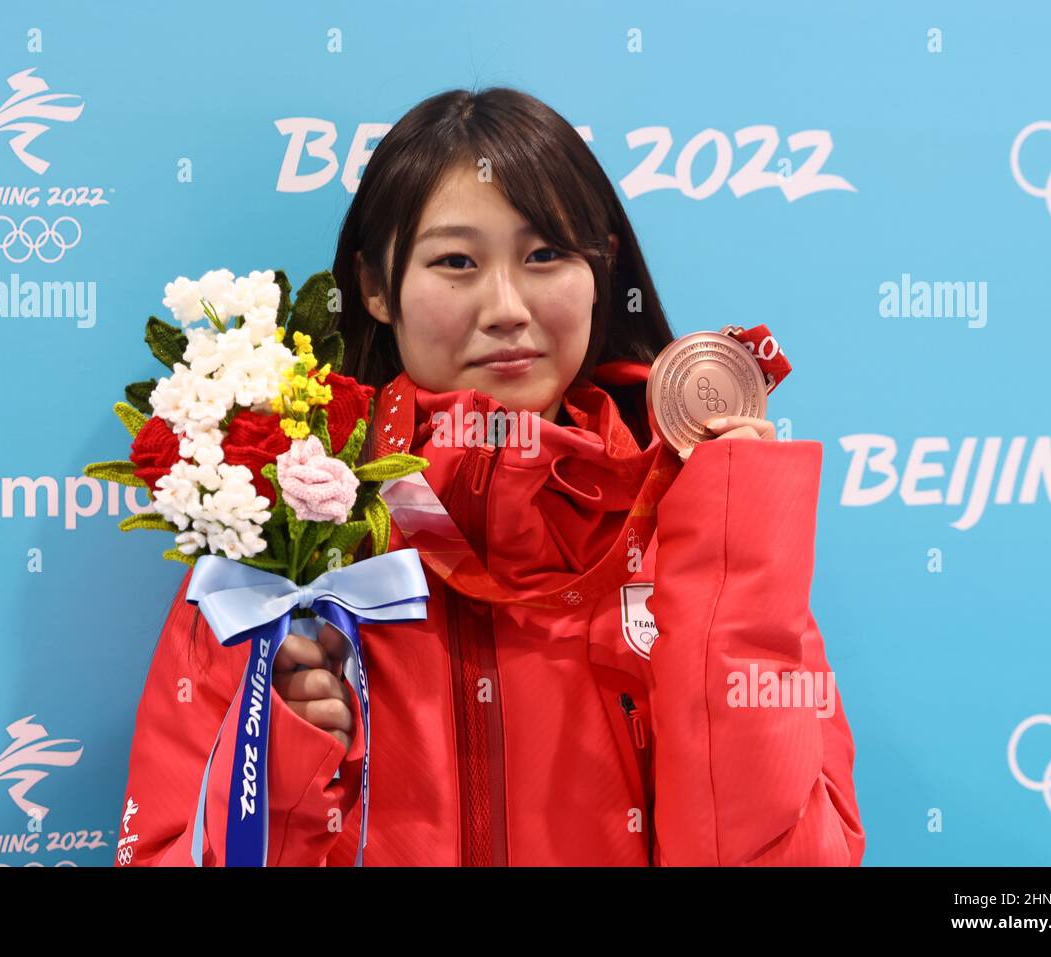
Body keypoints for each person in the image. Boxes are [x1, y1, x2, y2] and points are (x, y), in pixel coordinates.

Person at [115, 87, 865, 867]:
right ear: (375, 287)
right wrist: (281, 775)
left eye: (545, 255)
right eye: (456, 262)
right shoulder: (290, 544)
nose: (507, 306)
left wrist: (731, 564)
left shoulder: (691, 521)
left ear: (603, 267)